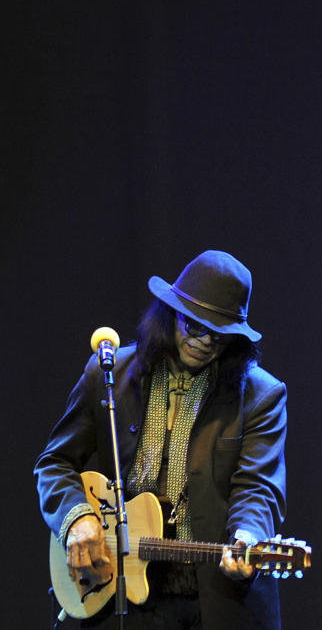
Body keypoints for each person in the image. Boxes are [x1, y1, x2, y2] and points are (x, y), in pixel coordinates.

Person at [35, 250, 287, 629]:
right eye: (194, 325)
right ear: (171, 313)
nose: (204, 341)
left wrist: (248, 535)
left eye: (218, 335)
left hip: (218, 603)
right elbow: (54, 464)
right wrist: (76, 519)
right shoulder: (110, 374)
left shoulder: (260, 395)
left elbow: (259, 487)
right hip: (124, 594)